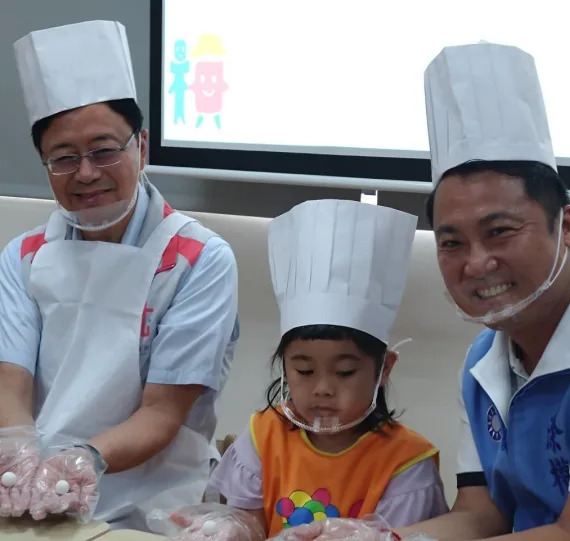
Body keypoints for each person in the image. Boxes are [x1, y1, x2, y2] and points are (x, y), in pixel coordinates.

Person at [287, 42, 570, 541]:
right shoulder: (483, 361)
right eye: (451, 242)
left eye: (501, 231)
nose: (477, 263)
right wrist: (386, 538)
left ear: (565, 225)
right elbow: (480, 512)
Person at [0, 20, 239, 530]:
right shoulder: (26, 255)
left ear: (142, 147)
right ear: (43, 163)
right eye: (64, 158)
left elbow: (162, 412)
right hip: (34, 472)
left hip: (148, 486)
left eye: (104, 150)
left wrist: (85, 460)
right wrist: (14, 446)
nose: (87, 173)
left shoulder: (197, 259)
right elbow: (9, 387)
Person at [155, 200, 448, 541]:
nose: (323, 388)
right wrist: (231, 528)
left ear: (384, 370)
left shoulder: (406, 464)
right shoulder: (263, 437)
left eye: (345, 372)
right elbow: (253, 527)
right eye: (305, 371)